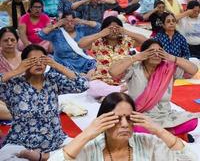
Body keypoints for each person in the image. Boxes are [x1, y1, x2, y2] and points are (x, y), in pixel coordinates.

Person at [19, 92, 197, 161]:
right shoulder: (90, 147)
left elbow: (192, 158)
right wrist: (87, 133)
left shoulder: (148, 142)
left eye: (129, 118)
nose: (125, 124)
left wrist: (158, 130)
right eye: (117, 119)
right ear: (102, 120)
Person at [0, 44, 89, 160]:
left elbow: (83, 84)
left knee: (86, 151)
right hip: (21, 143)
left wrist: (57, 65)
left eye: (42, 60)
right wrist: (16, 71)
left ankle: (43, 157)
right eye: (33, 61)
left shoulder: (53, 80)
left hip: (55, 141)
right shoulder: (13, 84)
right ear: (24, 62)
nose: (38, 64)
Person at [109, 39, 199, 141]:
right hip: (140, 115)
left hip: (165, 115)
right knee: (135, 127)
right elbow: (113, 72)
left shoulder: (168, 69)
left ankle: (159, 134)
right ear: (144, 54)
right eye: (152, 51)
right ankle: (170, 134)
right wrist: (135, 57)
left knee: (193, 121)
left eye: (159, 51)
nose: (156, 54)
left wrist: (172, 57)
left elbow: (193, 70)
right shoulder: (135, 68)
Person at [78, 16, 146, 86]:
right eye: (110, 29)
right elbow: (80, 44)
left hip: (122, 81)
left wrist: (126, 32)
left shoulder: (126, 41)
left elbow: (145, 41)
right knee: (94, 88)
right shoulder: (97, 42)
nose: (114, 31)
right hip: (101, 80)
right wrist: (100, 34)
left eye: (117, 28)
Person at [0, 27, 21, 121]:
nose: (9, 43)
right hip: (3, 98)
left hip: (26, 95)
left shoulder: (25, 56)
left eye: (12, 40)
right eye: (5, 40)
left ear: (17, 41)